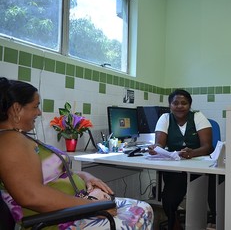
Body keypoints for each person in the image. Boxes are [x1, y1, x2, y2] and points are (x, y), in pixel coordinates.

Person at [0, 77, 154, 230]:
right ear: (16, 109)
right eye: (35, 106)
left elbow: (50, 175)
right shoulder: (10, 142)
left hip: (73, 210)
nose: (39, 112)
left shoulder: (17, 138)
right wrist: (93, 207)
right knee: (142, 210)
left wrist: (85, 176)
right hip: (60, 221)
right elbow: (31, 196)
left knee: (139, 207)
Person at [148, 89, 213, 230]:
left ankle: (213, 220)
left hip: (201, 166)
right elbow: (160, 143)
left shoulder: (198, 116)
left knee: (213, 189)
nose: (179, 106)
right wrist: (156, 148)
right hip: (176, 167)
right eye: (175, 103)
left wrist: (193, 153)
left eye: (184, 103)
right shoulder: (165, 118)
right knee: (169, 197)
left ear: (190, 105)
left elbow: (207, 147)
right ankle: (173, 222)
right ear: (170, 105)